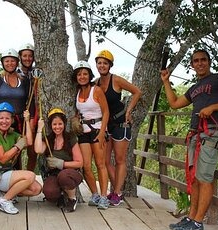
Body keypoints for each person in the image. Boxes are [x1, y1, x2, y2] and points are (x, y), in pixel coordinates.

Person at [161, 49, 218, 230]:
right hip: (195, 135)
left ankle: (198, 221)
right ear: (192, 65)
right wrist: (165, 81)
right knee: (195, 179)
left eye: (203, 60)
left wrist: (213, 107)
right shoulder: (195, 88)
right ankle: (191, 217)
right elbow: (174, 103)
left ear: (209, 61)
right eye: (196, 61)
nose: (200, 63)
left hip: (210, 133)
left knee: (204, 178)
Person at [95, 50, 142, 206]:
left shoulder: (116, 80)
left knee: (120, 160)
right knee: (106, 161)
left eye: (105, 63)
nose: (102, 65)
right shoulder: (95, 83)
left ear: (110, 65)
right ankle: (117, 191)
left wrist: (129, 111)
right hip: (106, 127)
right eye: (99, 63)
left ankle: (116, 193)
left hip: (121, 124)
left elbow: (137, 92)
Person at [0, 102, 42, 214]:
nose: (4, 121)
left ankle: (5, 193)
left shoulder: (11, 134)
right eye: (1, 118)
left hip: (7, 173)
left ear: (12, 120)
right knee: (30, 175)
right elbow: (2, 159)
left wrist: (27, 121)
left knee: (36, 189)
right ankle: (4, 200)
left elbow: (29, 141)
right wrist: (17, 147)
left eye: (7, 118)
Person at [0, 48, 35, 170]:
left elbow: (31, 100)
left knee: (18, 149)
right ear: (2, 63)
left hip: (19, 120)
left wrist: (32, 118)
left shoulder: (24, 80)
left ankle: (17, 174)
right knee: (3, 147)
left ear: (17, 62)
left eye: (13, 61)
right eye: (7, 61)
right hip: (2, 120)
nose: (10, 64)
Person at [72, 61, 110, 209]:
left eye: (85, 74)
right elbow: (80, 111)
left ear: (89, 75)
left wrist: (102, 133)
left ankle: (104, 196)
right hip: (84, 132)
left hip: (97, 129)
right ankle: (95, 194)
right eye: (79, 74)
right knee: (86, 166)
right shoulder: (77, 92)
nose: (82, 77)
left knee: (100, 164)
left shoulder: (97, 90)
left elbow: (106, 111)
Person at [34, 108, 83, 213]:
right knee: (49, 192)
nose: (57, 127)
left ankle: (72, 199)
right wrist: (39, 129)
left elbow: (80, 162)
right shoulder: (49, 139)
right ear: (50, 126)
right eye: (54, 124)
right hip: (55, 174)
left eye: (60, 124)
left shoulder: (70, 138)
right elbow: (38, 149)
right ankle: (59, 196)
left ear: (64, 124)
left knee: (63, 176)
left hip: (71, 174)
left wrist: (61, 163)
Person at [17, 43, 38, 172]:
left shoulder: (36, 73)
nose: (27, 58)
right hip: (18, 114)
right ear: (20, 57)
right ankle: (18, 175)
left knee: (32, 150)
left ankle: (29, 175)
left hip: (34, 113)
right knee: (18, 148)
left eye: (30, 56)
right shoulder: (14, 73)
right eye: (24, 56)